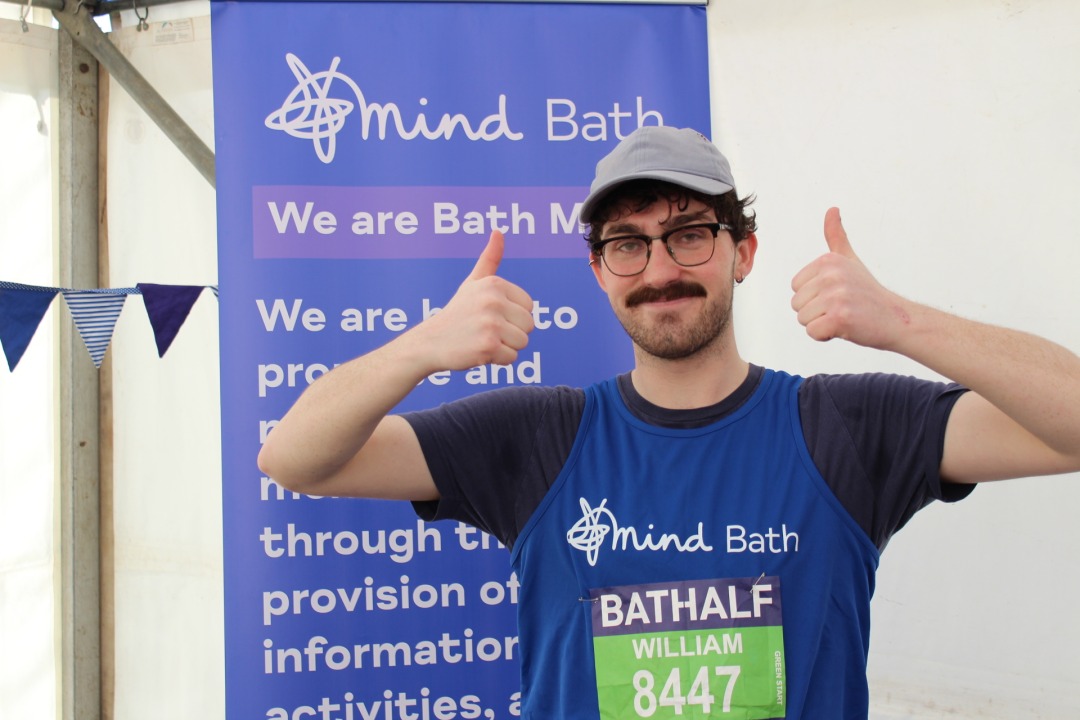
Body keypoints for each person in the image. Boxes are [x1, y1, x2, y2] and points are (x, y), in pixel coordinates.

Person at [257, 126, 1080, 718]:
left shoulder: (845, 427)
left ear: (742, 252)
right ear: (598, 269)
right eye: (628, 245)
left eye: (689, 235)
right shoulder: (537, 438)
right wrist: (425, 346)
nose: (659, 270)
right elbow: (294, 460)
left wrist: (905, 323)